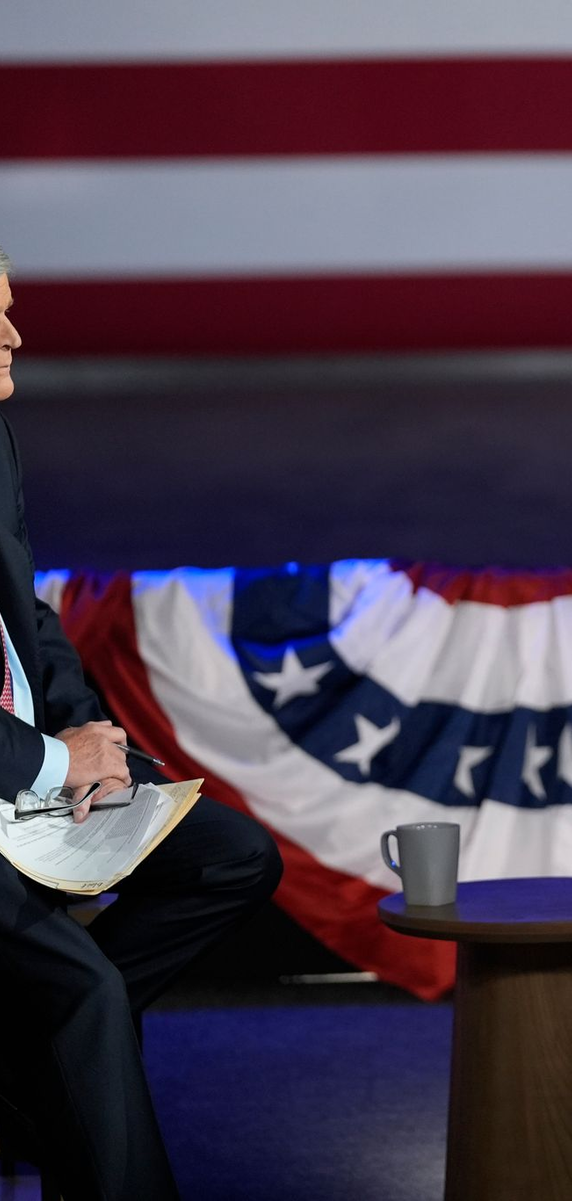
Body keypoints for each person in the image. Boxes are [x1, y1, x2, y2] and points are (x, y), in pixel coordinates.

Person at [0, 246, 283, 1198]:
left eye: (10, 308)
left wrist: (92, 737)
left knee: (233, 857)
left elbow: (26, 619)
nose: (15, 335)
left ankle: (24, 1073)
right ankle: (52, 1067)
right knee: (86, 993)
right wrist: (52, 761)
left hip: (33, 766)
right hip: (13, 773)